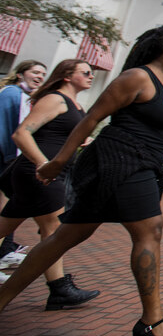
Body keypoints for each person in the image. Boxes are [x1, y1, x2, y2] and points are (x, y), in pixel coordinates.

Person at [0, 25, 163, 336]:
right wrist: (57, 162)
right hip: (119, 161)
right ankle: (152, 323)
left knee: (65, 236)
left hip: (141, 162)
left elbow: (160, 126)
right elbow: (90, 120)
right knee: (150, 230)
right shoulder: (136, 77)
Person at [1, 59, 100, 310]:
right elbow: (21, 133)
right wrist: (43, 164)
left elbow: (61, 134)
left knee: (18, 226)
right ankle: (59, 289)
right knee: (55, 231)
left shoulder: (75, 104)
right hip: (40, 173)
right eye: (85, 72)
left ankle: (59, 290)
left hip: (53, 173)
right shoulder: (55, 99)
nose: (91, 76)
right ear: (67, 75)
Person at [0, 60, 47, 276]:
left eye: (43, 74)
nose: (39, 76)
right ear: (20, 74)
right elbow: (8, 129)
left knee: (9, 207)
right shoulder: (12, 94)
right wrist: (12, 158)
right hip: (5, 158)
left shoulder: (26, 98)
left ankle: (6, 249)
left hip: (11, 158)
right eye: (35, 72)